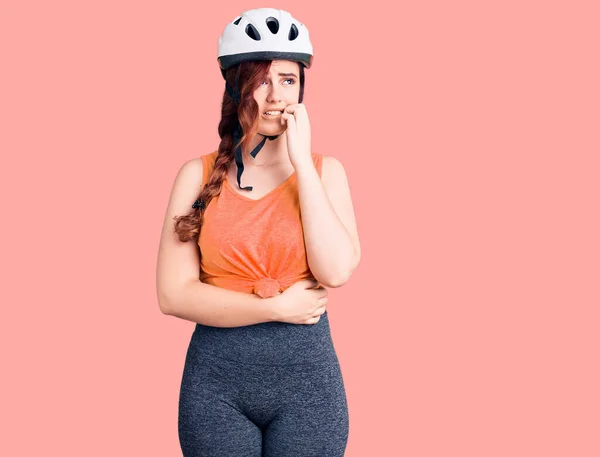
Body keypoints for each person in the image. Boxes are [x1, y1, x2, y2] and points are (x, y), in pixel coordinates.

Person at [156, 8, 361, 456]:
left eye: (287, 80)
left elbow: (336, 270)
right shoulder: (197, 174)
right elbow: (173, 295)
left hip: (308, 391)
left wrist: (302, 162)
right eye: (261, 80)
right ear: (234, 86)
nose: (275, 96)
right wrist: (278, 308)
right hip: (215, 389)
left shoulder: (327, 172)